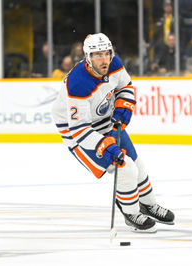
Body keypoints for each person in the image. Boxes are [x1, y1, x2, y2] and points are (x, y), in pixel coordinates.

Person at [51, 33, 174, 233]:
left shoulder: (114, 63)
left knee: (137, 163)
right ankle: (131, 213)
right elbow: (79, 129)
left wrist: (123, 106)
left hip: (106, 120)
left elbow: (125, 85)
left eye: (107, 53)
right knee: (125, 168)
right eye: (98, 55)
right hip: (79, 132)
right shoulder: (77, 83)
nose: (105, 59)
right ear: (87, 57)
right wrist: (105, 147)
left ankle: (148, 204)